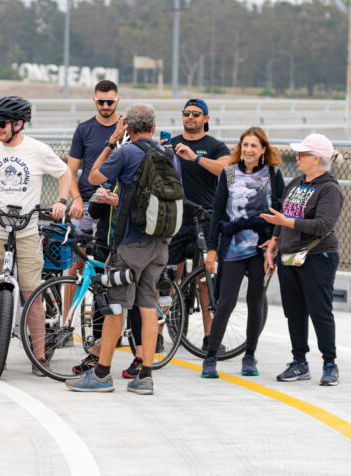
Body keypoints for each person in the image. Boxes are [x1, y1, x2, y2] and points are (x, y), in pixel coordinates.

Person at [66, 104, 181, 395]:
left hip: (130, 244)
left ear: (127, 128)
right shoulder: (168, 155)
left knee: (115, 305)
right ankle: (145, 376)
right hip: (159, 244)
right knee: (146, 308)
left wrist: (110, 141)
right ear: (153, 128)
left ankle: (102, 373)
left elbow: (92, 178)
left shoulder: (126, 151)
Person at [0, 95, 71, 375]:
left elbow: (64, 174)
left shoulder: (37, 150)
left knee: (31, 293)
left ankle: (39, 357)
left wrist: (61, 201)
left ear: (19, 124)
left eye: (2, 123)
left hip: (26, 229)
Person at [200, 126, 285, 379]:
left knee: (255, 303)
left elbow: (281, 212)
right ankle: (211, 357)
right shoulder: (228, 173)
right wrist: (212, 249)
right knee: (225, 302)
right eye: (245, 145)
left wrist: (274, 242)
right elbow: (217, 213)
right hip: (233, 246)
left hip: (262, 249)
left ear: (263, 150)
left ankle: (250, 356)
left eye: (254, 146)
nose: (248, 150)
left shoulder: (273, 174)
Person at [260, 133, 344, 387]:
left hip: (318, 255)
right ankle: (299, 362)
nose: (296, 158)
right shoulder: (295, 183)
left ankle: (330, 363)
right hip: (289, 254)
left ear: (316, 159)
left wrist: (285, 222)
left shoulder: (329, 189)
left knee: (320, 310)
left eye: (302, 154)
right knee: (294, 312)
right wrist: (273, 243)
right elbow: (282, 214)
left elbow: (323, 224)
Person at [168, 97, 230, 352]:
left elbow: (226, 171)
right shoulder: (170, 144)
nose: (190, 117)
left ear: (206, 119)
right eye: (186, 113)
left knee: (206, 280)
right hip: (175, 220)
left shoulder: (215, 146)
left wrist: (195, 158)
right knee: (169, 277)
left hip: (206, 219)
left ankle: (209, 337)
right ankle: (159, 330)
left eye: (196, 114)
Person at [72, 180, 147, 380]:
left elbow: (143, 214)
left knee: (133, 302)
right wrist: (99, 196)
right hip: (105, 247)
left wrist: (118, 202)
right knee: (101, 301)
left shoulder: (139, 179)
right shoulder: (109, 180)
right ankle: (97, 353)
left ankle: (140, 356)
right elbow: (94, 212)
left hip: (130, 248)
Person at [67, 79, 122, 228]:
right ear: (94, 100)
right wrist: (76, 199)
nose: (105, 106)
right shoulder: (83, 129)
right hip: (86, 200)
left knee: (117, 249)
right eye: (100, 102)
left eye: (109, 102)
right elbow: (70, 172)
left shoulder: (127, 128)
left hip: (118, 200)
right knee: (79, 247)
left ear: (117, 100)